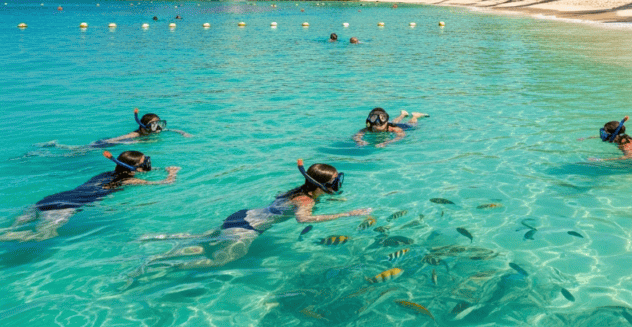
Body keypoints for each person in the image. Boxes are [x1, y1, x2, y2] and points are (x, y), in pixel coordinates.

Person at [144, 160, 370, 268]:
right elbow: (303, 219)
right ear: (321, 184)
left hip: (242, 215)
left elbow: (280, 200)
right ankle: (165, 265)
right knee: (220, 261)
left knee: (205, 237)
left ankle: (158, 243)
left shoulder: (296, 192)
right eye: (334, 182)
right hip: (247, 229)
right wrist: (346, 214)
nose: (337, 185)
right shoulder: (306, 200)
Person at [0, 150, 178, 242]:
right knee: (42, 236)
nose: (147, 164)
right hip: (64, 208)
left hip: (51, 199)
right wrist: (172, 172)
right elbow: (166, 184)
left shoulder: (106, 174)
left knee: (12, 226)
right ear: (133, 168)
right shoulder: (128, 181)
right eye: (143, 163)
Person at [93, 108, 192, 145]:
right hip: (107, 143)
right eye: (154, 124)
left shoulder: (156, 130)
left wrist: (184, 133)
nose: (157, 127)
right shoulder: (134, 134)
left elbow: (171, 130)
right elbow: (116, 140)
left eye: (159, 124)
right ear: (144, 126)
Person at [353, 107, 428, 147]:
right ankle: (403, 114)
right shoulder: (368, 129)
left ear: (385, 123)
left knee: (412, 124)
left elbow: (401, 136)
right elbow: (357, 136)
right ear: (370, 124)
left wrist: (386, 143)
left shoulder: (392, 128)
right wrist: (359, 141)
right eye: (376, 125)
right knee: (393, 122)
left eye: (381, 124)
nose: (378, 126)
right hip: (390, 123)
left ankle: (415, 116)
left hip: (404, 126)